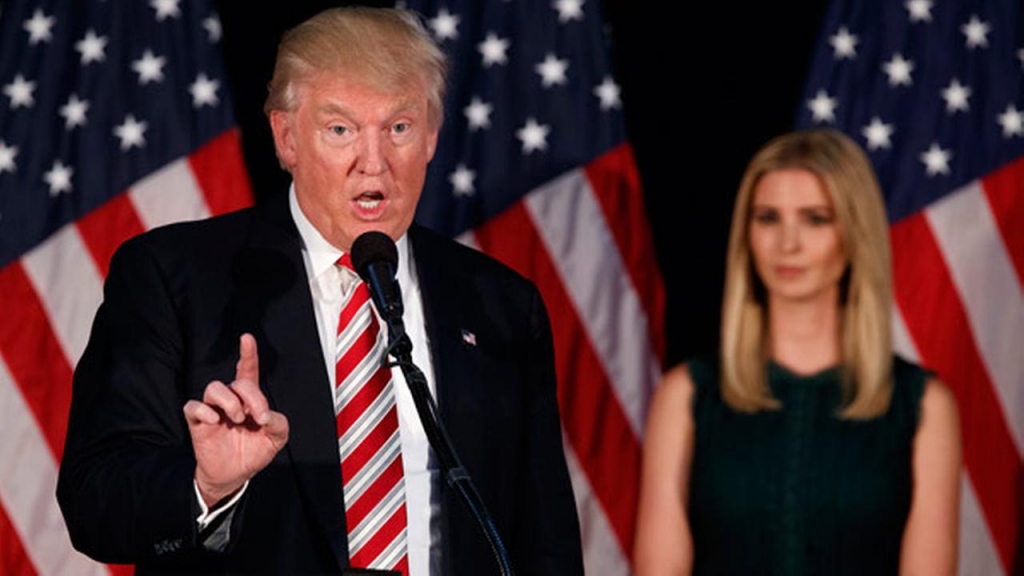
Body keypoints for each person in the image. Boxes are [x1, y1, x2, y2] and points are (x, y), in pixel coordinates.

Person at [57, 7, 583, 575]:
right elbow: (93, 503)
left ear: (431, 136)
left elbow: (544, 541)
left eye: (399, 128)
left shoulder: (501, 304)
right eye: (341, 130)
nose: (374, 163)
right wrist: (205, 484)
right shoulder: (173, 278)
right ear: (286, 137)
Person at [633, 129, 961, 575]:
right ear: (745, 233)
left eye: (815, 218)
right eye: (768, 218)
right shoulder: (687, 396)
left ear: (855, 233)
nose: (787, 243)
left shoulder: (921, 406)